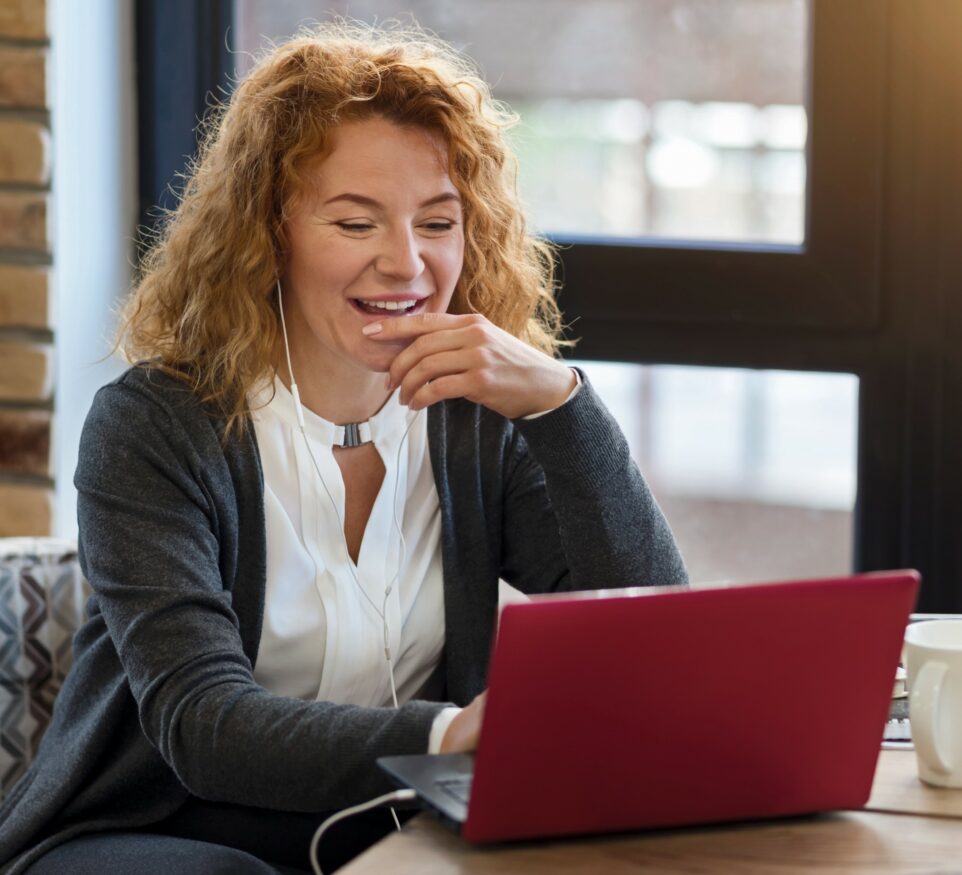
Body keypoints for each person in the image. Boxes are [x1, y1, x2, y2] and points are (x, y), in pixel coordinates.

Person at [0, 20, 687, 875]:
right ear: (268, 232)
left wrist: (560, 404)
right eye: (356, 223)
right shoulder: (152, 427)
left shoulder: (477, 421)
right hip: (153, 834)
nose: (406, 263)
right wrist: (445, 733)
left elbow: (654, 628)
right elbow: (201, 724)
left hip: (387, 831)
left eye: (437, 222)